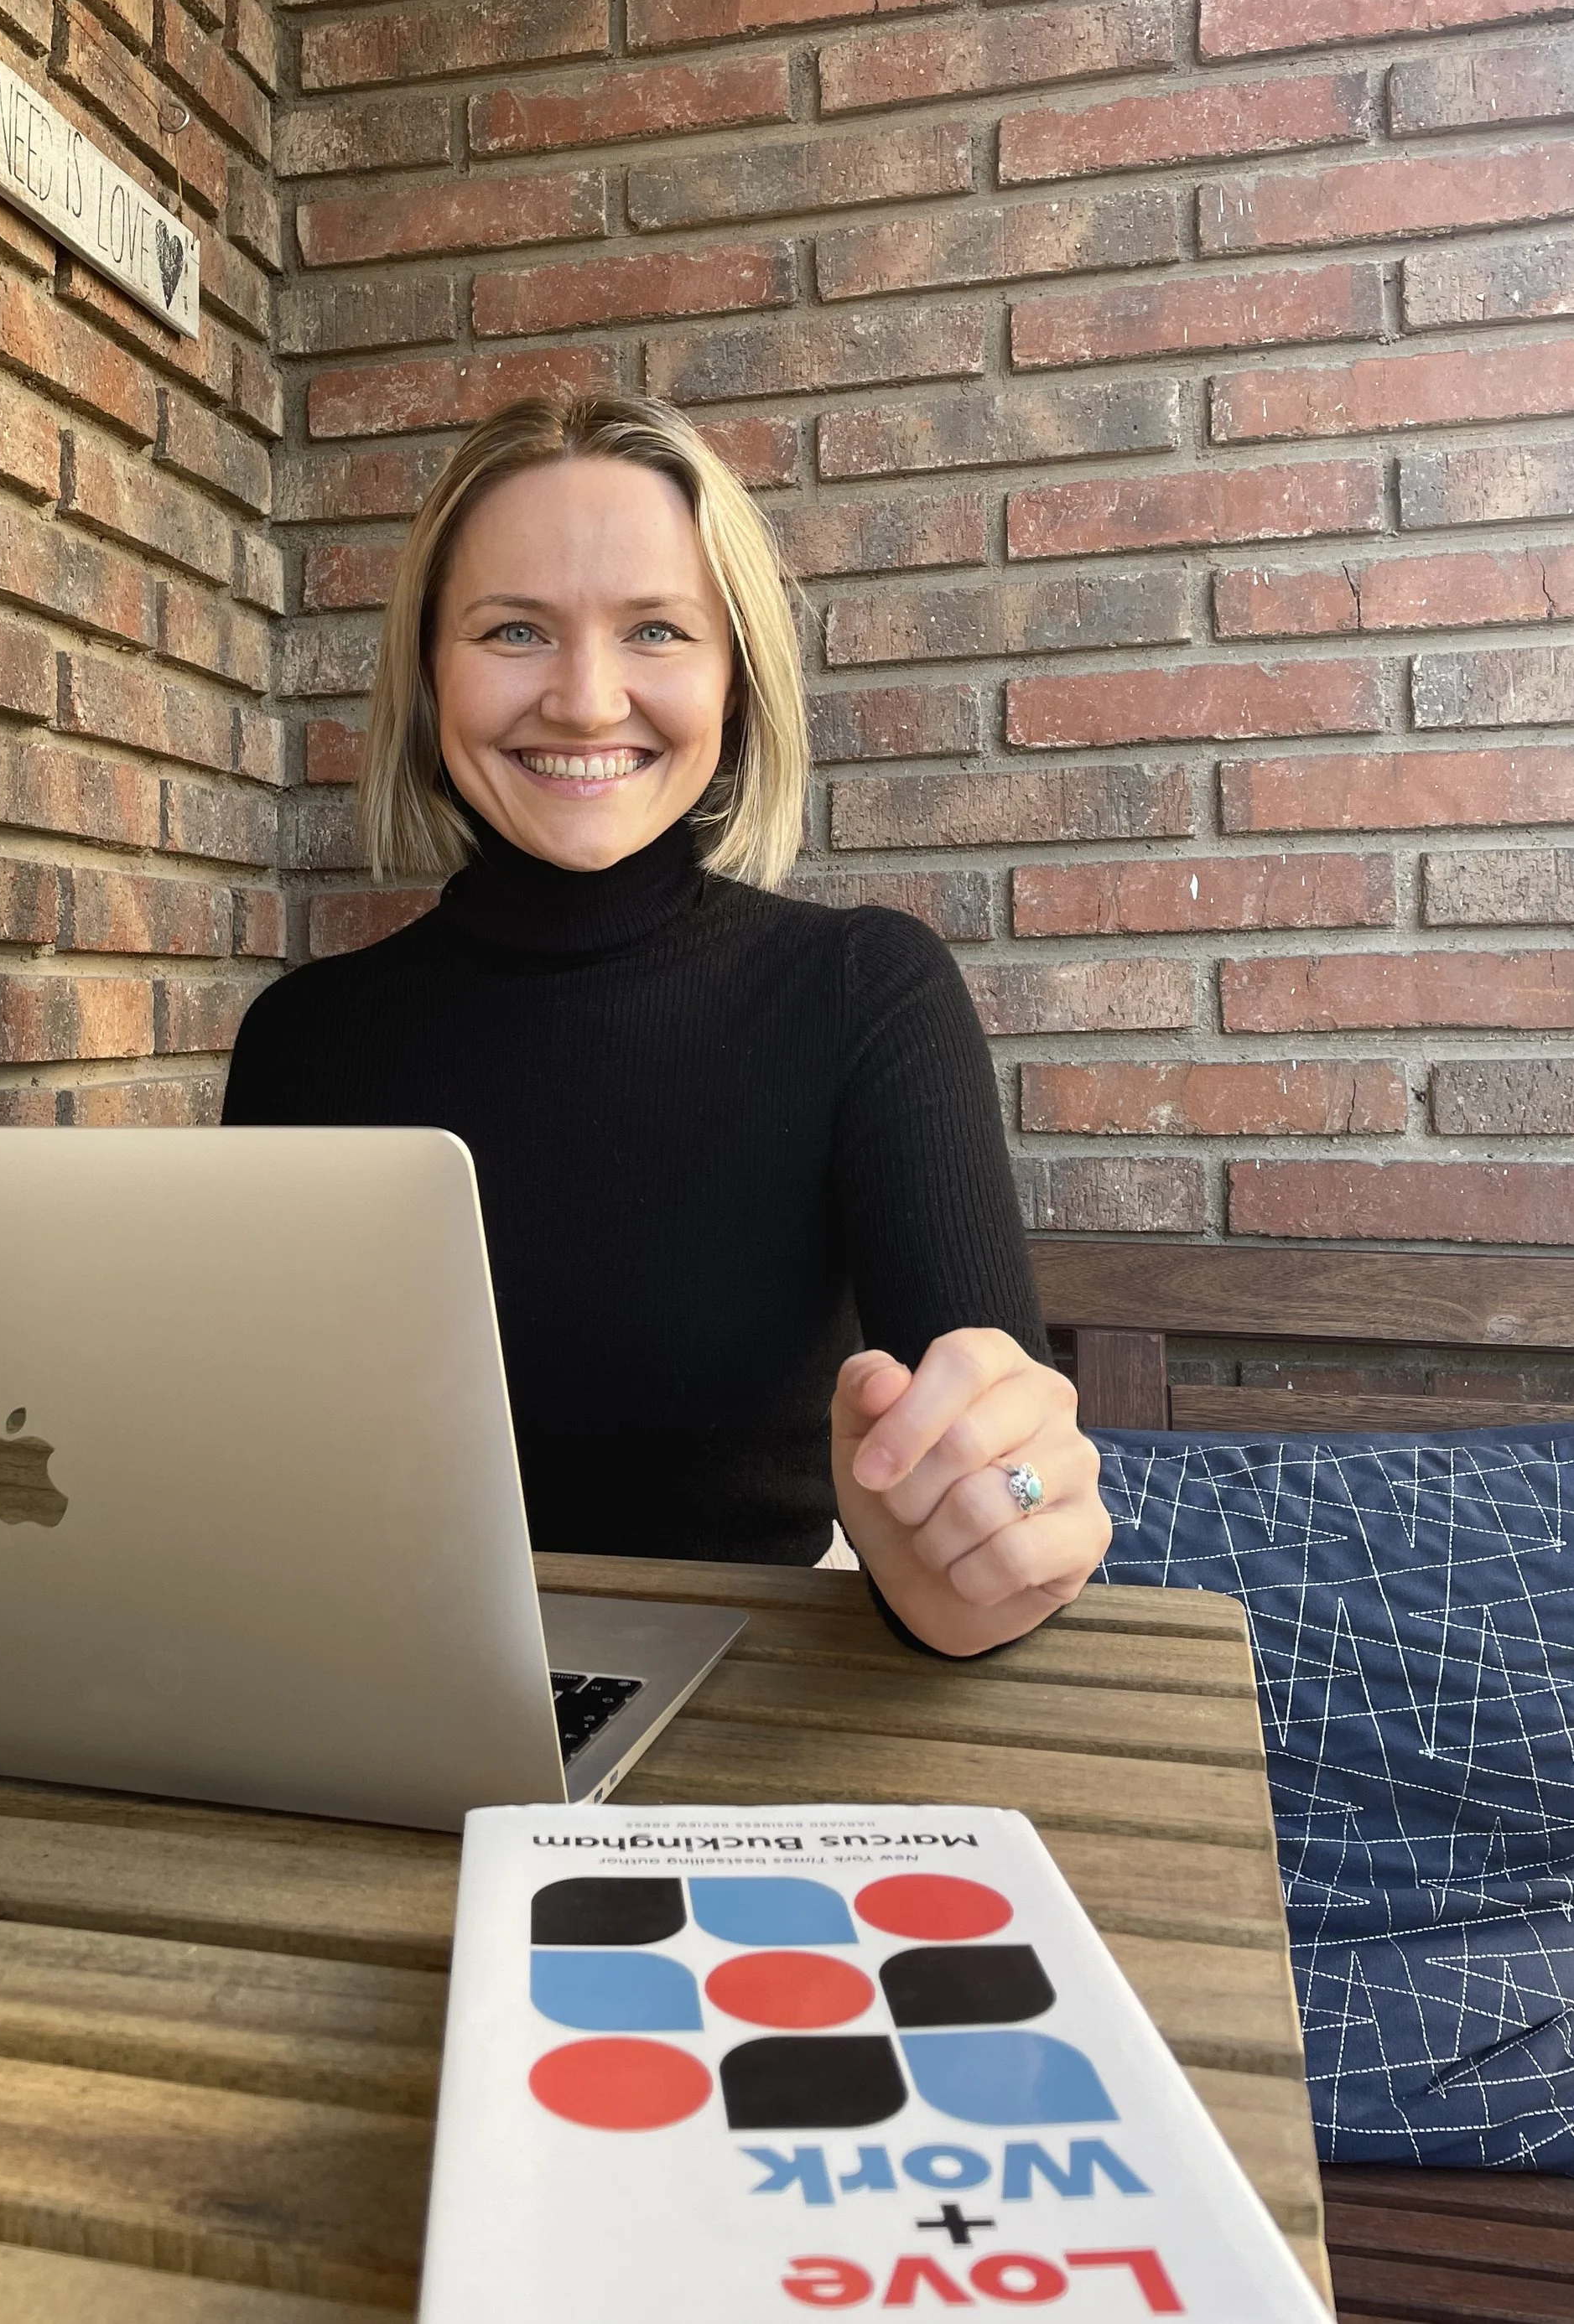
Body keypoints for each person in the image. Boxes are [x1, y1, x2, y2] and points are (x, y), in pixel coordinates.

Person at [223, 392, 1110, 1657]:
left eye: (655, 630)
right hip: (376, 1705)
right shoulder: (301, 1042)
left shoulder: (867, 993)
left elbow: (976, 1551)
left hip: (759, 1716)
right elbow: (260, 1493)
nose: (586, 702)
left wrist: (980, 1542)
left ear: (735, 680)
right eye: (514, 629)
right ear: (428, 675)